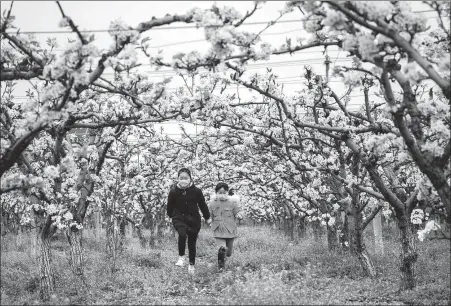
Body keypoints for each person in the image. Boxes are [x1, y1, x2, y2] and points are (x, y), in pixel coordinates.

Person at [167, 168, 211, 274]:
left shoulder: (196, 191)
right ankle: (181, 257)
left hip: (193, 220)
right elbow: (170, 206)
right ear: (178, 179)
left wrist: (207, 217)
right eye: (181, 178)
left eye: (186, 178)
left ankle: (191, 264)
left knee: (192, 243)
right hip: (179, 218)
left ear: (190, 179)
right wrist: (169, 217)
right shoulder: (173, 192)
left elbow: (202, 205)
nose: (183, 180)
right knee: (182, 234)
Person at [208, 182, 244, 270]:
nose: (222, 195)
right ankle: (221, 267)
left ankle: (223, 260)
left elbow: (239, 211)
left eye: (224, 193)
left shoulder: (233, 202)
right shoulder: (212, 203)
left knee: (228, 253)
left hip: (230, 230)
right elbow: (208, 214)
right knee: (222, 248)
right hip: (218, 229)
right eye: (220, 193)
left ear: (227, 193)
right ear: (216, 193)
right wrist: (207, 219)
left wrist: (239, 215)